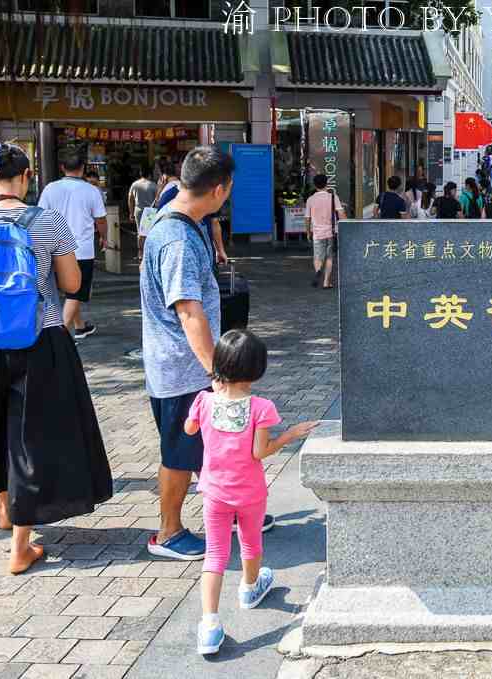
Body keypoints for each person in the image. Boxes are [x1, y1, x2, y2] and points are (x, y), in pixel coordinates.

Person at [0, 141, 112, 575]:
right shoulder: (48, 221)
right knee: (30, 437)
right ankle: (21, 545)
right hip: (40, 341)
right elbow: (72, 281)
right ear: (25, 178)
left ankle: (3, 506)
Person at [142, 146, 256, 562]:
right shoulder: (177, 240)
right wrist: (217, 371)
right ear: (220, 189)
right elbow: (189, 312)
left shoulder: (184, 223)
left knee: (209, 447)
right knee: (179, 452)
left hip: (186, 367)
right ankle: (168, 533)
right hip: (180, 369)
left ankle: (227, 509)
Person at [188, 329, 319, 655]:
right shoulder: (261, 407)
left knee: (215, 555)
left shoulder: (204, 400)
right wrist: (290, 434)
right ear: (257, 369)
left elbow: (189, 428)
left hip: (214, 492)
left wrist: (208, 398)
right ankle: (249, 588)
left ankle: (209, 625)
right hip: (249, 492)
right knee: (250, 541)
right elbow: (260, 452)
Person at [37, 145, 107, 340]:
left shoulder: (50, 188)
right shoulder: (91, 190)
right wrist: (104, 236)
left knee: (70, 291)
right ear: (83, 167)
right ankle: (61, 336)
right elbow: (100, 219)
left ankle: (80, 326)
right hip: (82, 249)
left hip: (55, 248)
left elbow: (40, 217)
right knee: (77, 293)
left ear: (62, 167)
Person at [304, 174, 346, 290]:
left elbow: (307, 218)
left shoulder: (310, 199)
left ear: (315, 185)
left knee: (317, 257)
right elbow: (341, 214)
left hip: (317, 232)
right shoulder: (333, 197)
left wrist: (308, 232)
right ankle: (326, 282)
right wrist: (346, 224)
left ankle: (318, 271)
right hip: (331, 232)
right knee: (329, 257)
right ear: (326, 183)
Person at [128, 166, 158, 257]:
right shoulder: (153, 185)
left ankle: (140, 254)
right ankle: (149, 253)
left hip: (138, 210)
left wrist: (131, 213)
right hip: (150, 212)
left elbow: (130, 199)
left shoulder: (135, 184)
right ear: (150, 174)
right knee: (150, 233)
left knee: (140, 233)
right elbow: (157, 200)